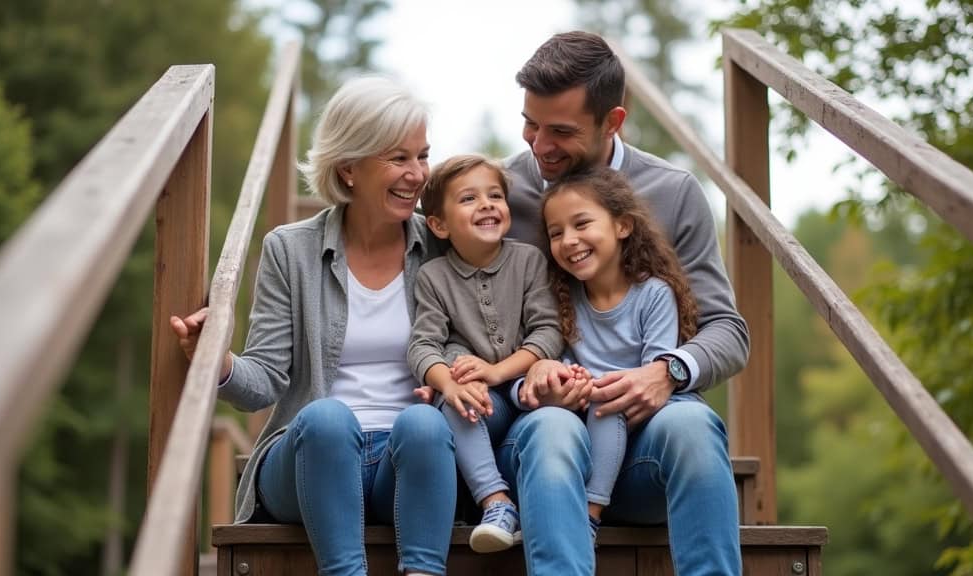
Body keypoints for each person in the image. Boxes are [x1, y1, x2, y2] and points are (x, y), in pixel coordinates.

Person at [169, 76, 456, 576]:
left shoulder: (440, 245)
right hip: (309, 456)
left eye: (422, 156)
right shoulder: (290, 249)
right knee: (326, 419)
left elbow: (470, 344)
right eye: (398, 158)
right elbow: (263, 383)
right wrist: (218, 360)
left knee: (426, 425)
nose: (418, 175)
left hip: (405, 460)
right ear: (349, 168)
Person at [497, 31, 750, 575]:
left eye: (561, 131)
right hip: (543, 443)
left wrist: (665, 372)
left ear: (613, 121)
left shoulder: (673, 193)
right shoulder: (498, 195)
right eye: (530, 124)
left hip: (643, 444)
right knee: (554, 428)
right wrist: (530, 377)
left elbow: (727, 331)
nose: (539, 146)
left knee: (692, 426)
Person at [409, 154, 627, 554]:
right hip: (481, 396)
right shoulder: (433, 277)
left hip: (527, 380)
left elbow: (548, 331)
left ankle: (588, 509)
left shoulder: (529, 261)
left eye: (495, 195)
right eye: (469, 199)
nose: (487, 204)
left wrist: (496, 370)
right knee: (456, 401)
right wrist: (446, 383)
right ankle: (496, 503)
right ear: (438, 224)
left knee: (575, 396)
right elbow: (424, 344)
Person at [534, 166, 698, 544]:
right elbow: (557, 357)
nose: (569, 240)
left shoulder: (654, 294)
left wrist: (600, 389)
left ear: (622, 226)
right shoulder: (562, 299)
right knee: (591, 406)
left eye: (582, 224)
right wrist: (563, 377)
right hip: (578, 426)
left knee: (607, 405)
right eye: (556, 233)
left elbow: (654, 375)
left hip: (639, 426)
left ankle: (590, 514)